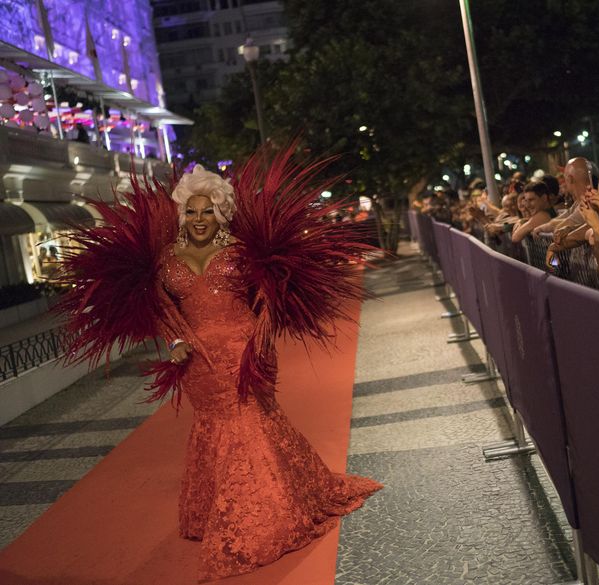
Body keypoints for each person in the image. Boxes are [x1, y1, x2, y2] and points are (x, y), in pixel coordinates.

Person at [57, 158, 382, 582]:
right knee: (215, 423)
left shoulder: (242, 251)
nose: (197, 218)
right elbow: (162, 310)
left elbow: (268, 296)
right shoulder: (165, 258)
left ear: (222, 211)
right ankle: (243, 503)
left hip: (244, 350)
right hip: (197, 361)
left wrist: (261, 337)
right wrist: (175, 342)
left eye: (206, 209)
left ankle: (264, 515)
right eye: (190, 211)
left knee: (249, 421)